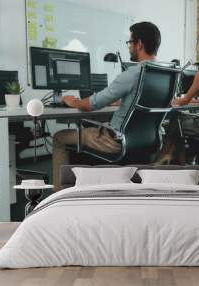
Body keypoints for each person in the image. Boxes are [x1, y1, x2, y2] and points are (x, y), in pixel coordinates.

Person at [52, 21, 161, 191]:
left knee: (59, 137)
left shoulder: (131, 74)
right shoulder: (165, 74)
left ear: (139, 44)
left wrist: (73, 102)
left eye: (130, 43)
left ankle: (57, 196)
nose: (129, 47)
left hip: (114, 141)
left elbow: (92, 104)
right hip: (147, 140)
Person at [155, 41, 199, 165]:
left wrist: (170, 100)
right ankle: (183, 159)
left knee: (175, 121)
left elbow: (185, 100)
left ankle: (170, 157)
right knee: (177, 122)